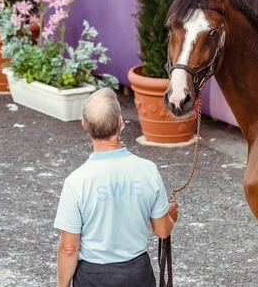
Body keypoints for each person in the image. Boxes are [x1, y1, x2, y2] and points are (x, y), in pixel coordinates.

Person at [54, 87, 178, 287]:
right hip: (138, 273)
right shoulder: (148, 170)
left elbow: (69, 248)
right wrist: (171, 216)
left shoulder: (76, 182)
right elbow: (162, 230)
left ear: (84, 125)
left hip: (94, 277)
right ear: (121, 123)